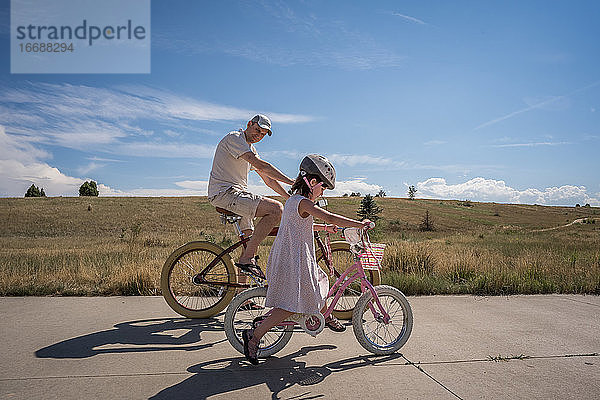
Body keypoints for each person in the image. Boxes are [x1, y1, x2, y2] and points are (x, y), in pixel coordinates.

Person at [242, 154, 373, 365]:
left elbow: (301, 225)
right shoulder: (303, 202)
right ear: (312, 183)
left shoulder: (294, 202)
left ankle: (326, 315)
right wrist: (360, 224)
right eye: (323, 187)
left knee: (317, 283)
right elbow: (329, 216)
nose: (322, 192)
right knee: (289, 306)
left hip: (294, 257)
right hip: (292, 259)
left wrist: (324, 228)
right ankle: (255, 336)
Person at [207, 114, 295, 278]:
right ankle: (248, 259)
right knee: (276, 209)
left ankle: (243, 297)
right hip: (225, 193)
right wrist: (291, 181)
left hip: (238, 195)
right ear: (249, 124)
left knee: (249, 244)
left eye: (262, 134)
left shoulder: (250, 148)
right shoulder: (235, 138)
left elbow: (268, 179)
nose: (258, 135)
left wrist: (290, 198)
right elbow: (262, 165)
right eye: (257, 130)